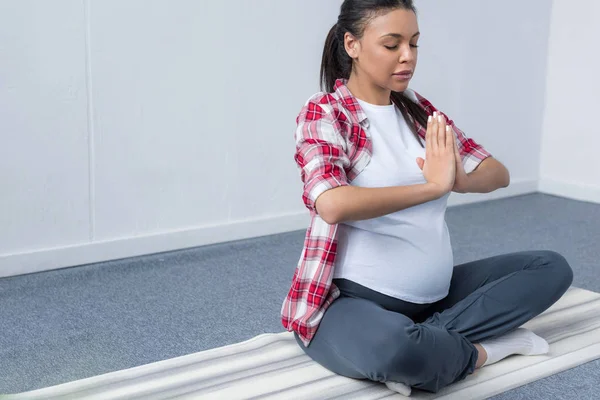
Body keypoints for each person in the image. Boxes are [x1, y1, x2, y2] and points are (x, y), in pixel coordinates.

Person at [280, 0, 574, 395]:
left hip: (436, 296)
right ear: (352, 44)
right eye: (392, 44)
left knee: (550, 268)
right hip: (352, 300)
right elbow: (331, 202)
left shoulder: (419, 111)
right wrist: (431, 187)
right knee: (393, 346)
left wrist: (458, 180)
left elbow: (496, 173)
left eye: (414, 44)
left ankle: (428, 347)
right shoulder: (326, 114)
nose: (407, 57)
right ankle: (482, 351)